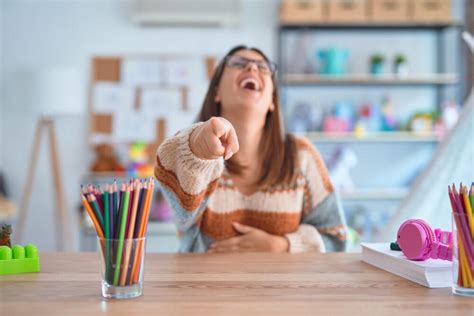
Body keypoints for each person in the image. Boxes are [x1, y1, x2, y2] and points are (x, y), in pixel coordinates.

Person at [155, 45, 347, 253]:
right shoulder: (197, 150)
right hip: (204, 285)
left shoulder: (301, 154)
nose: (252, 69)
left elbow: (336, 239)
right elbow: (176, 197)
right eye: (238, 64)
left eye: (263, 67)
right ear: (217, 91)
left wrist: (282, 245)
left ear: (272, 101)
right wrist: (197, 148)